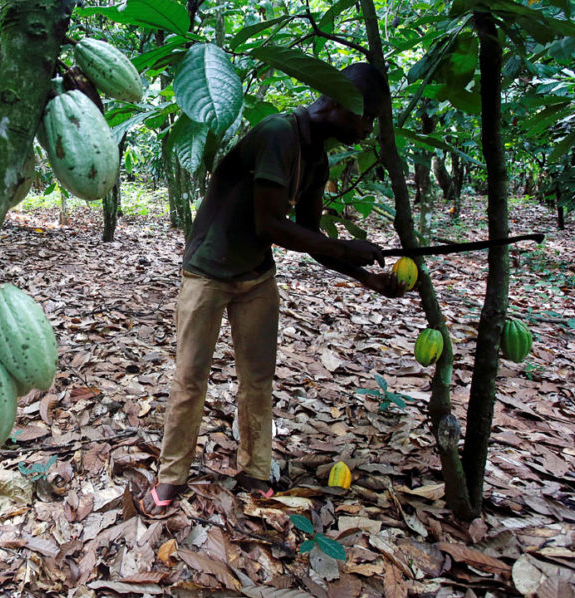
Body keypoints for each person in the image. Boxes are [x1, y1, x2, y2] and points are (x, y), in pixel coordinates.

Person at [140, 62, 406, 514]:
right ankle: (172, 475)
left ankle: (255, 470)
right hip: (208, 271)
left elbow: (309, 236)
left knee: (257, 380)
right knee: (190, 378)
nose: (368, 130)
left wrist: (367, 278)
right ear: (341, 102)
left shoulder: (317, 158)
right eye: (368, 116)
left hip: (257, 276)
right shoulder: (279, 133)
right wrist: (346, 248)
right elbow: (270, 224)